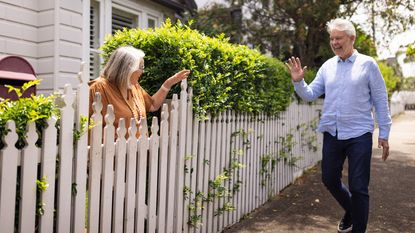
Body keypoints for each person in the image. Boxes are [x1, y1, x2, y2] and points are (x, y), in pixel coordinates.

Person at [286, 18, 391, 233]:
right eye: (332, 38)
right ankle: (352, 211)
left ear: (351, 38)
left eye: (339, 38)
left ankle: (358, 229)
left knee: (359, 187)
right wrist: (298, 81)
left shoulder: (368, 64)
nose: (334, 42)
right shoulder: (328, 66)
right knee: (329, 179)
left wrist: (384, 132)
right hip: (332, 132)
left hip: (359, 133)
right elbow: (310, 94)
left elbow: (380, 99)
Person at [89, 46, 190, 137]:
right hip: (114, 154)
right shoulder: (98, 88)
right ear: (127, 67)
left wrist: (168, 83)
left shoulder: (134, 86)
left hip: (139, 154)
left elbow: (153, 105)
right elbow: (90, 129)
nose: (143, 71)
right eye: (141, 67)